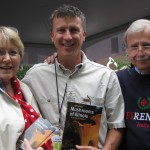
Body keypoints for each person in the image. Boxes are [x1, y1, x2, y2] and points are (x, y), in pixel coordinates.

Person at [22, 4, 125, 150]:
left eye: (74, 30)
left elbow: (117, 125)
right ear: (52, 36)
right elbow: (22, 119)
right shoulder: (34, 76)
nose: (68, 36)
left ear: (84, 35)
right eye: (61, 30)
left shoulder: (106, 76)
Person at [0, 26, 52, 150]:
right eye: (0, 52)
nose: (7, 58)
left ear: (20, 57)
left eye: (13, 52)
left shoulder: (25, 89)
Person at [117, 19, 150, 150]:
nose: (140, 53)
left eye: (147, 45)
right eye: (134, 47)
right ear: (127, 50)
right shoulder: (117, 80)